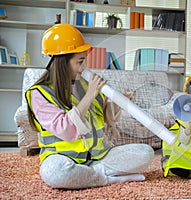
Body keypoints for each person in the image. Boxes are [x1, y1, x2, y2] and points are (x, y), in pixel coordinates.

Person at [26, 24, 154, 189]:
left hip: (98, 157)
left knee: (145, 153)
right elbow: (65, 128)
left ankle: (90, 174)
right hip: (62, 158)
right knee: (54, 172)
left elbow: (104, 115)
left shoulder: (85, 85)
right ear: (63, 62)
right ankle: (105, 177)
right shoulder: (40, 93)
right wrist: (90, 95)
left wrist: (120, 103)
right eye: (80, 61)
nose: (84, 67)